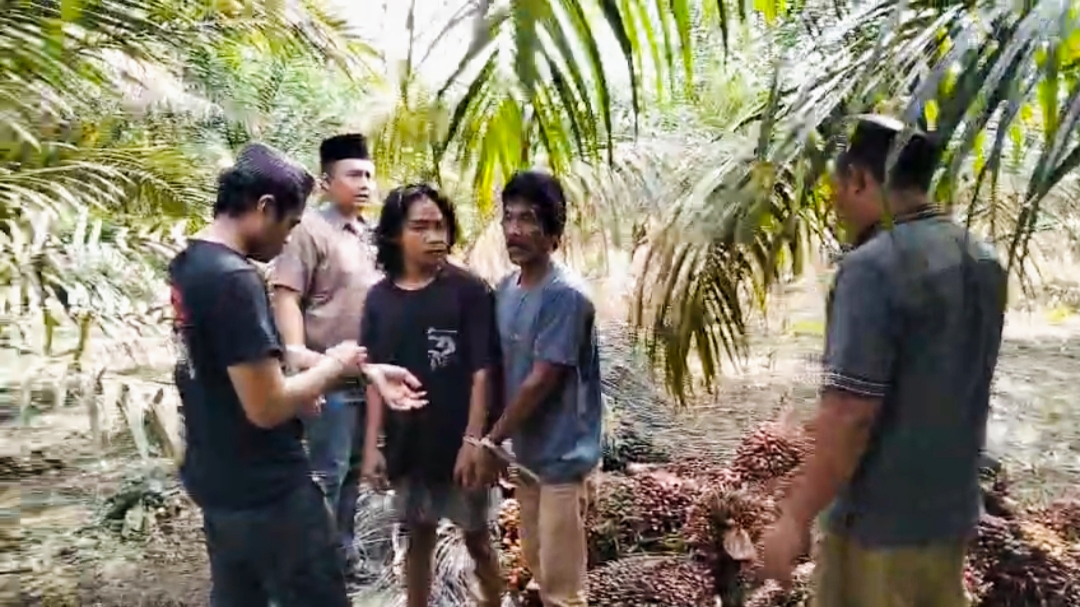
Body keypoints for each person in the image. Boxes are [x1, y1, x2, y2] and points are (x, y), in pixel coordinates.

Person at [759, 115, 1008, 605]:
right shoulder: (981, 259)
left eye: (837, 187)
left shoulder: (874, 267)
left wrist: (795, 518)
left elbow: (852, 414)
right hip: (949, 517)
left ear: (859, 179)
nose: (834, 204)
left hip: (877, 528)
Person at [169, 143, 425, 607]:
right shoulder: (234, 279)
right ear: (265, 207)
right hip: (266, 489)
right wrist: (331, 366)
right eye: (289, 224)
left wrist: (363, 371)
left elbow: (242, 354)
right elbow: (266, 406)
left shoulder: (192, 263)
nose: (289, 239)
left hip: (219, 477)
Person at [358, 184, 504, 607]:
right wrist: (373, 447)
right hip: (408, 445)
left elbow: (483, 372)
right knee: (417, 535)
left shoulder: (469, 291)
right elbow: (374, 378)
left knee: (478, 539)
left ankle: (494, 600)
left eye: (440, 225)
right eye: (420, 227)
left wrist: (474, 442)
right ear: (393, 236)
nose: (435, 236)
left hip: (459, 445)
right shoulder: (378, 300)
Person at [478, 170, 603, 607]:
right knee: (536, 564)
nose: (514, 230)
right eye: (508, 218)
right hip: (527, 458)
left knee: (563, 589)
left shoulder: (565, 297)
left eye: (529, 219)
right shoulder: (504, 291)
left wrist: (490, 440)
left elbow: (540, 382)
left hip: (563, 462)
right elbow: (495, 370)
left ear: (554, 231)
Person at [267, 133, 382, 569]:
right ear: (326, 181)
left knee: (354, 471)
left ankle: (343, 556)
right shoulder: (308, 231)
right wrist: (296, 355)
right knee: (325, 475)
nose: (364, 183)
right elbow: (285, 295)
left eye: (369, 174)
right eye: (353, 174)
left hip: (365, 378)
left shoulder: (371, 235)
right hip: (324, 377)